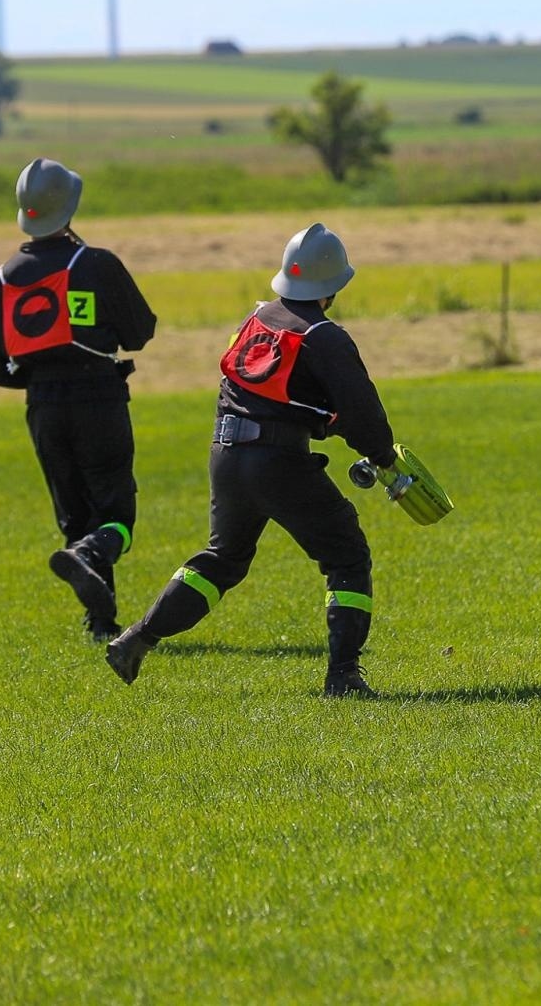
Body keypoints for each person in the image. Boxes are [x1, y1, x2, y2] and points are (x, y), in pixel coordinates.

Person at [106, 222, 396, 698]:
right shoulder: (325, 336)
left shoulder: (256, 319)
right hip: (278, 460)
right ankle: (343, 676)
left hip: (227, 452)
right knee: (346, 555)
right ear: (333, 286)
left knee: (224, 558)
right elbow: (363, 411)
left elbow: (266, 394)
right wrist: (382, 456)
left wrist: (324, 423)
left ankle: (138, 637)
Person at [0, 158, 157, 642]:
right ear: (70, 206)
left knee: (75, 515)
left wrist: (44, 383)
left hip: (42, 407)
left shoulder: (2, 279)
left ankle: (100, 622)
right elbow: (141, 331)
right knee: (116, 514)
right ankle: (90, 568)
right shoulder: (95, 263)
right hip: (98, 396)